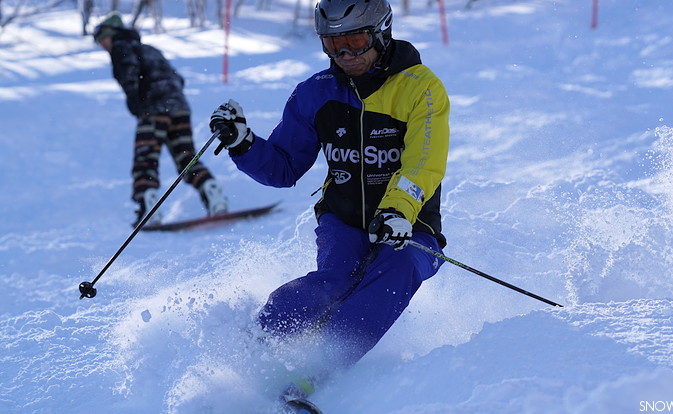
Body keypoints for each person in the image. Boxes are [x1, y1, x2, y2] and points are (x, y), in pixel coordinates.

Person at [209, 0, 449, 376]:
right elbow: (284, 168)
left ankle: (316, 371)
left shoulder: (421, 88)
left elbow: (423, 162)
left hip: (412, 226)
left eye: (354, 41)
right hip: (345, 220)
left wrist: (398, 211)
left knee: (397, 267)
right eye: (332, 44)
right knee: (337, 280)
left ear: (382, 32)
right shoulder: (315, 94)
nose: (344, 54)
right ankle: (252, 352)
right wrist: (244, 143)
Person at [93, 13, 228, 225]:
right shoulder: (150, 50)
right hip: (180, 108)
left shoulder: (121, 48)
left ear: (113, 34)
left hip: (153, 111)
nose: (102, 45)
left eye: (103, 39)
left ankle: (149, 209)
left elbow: (129, 78)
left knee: (145, 158)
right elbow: (178, 79)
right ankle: (214, 196)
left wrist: (138, 106)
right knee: (186, 157)